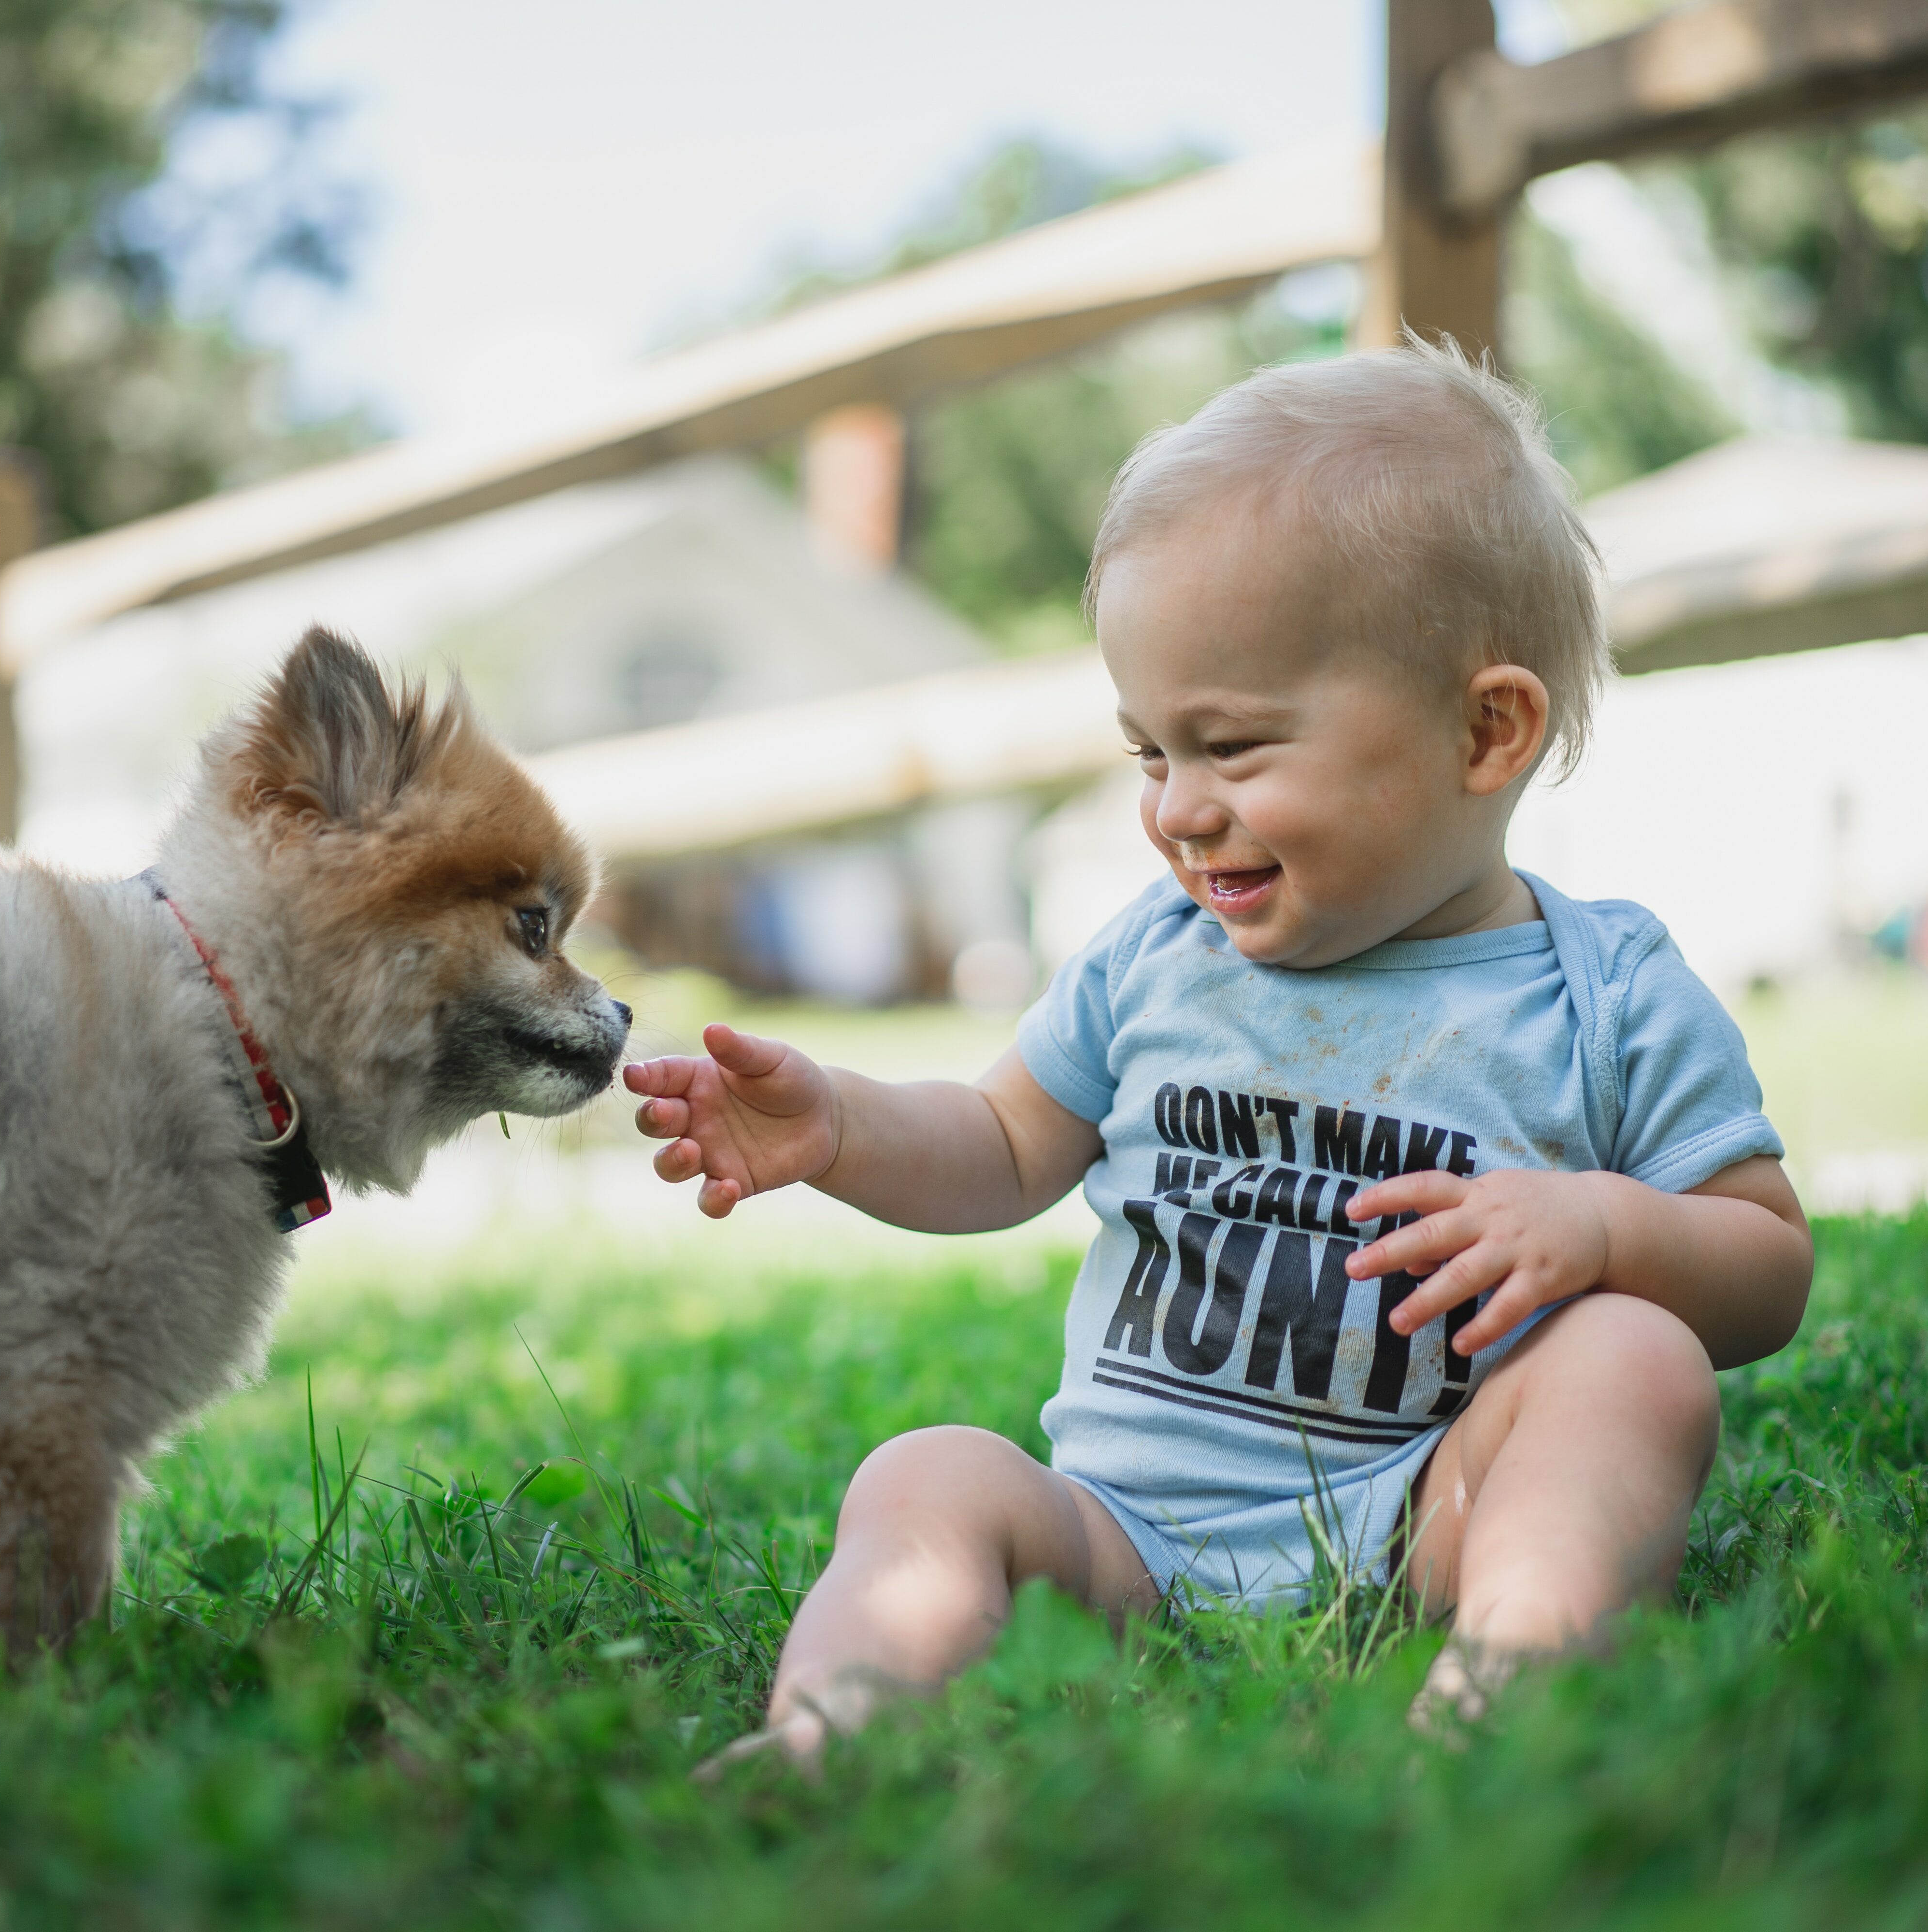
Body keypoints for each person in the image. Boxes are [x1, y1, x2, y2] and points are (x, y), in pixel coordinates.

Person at [624, 340, 1813, 1762]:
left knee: (1637, 1359)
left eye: (1236, 749)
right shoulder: (1152, 957)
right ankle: (834, 1731)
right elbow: (1005, 1147)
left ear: (1485, 730)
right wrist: (842, 1130)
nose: (1179, 811)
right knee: (929, 1472)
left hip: (1428, 1519)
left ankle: (1509, 1678)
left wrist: (1607, 1228)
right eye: (1149, 755)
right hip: (1119, 1541)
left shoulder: (1604, 990)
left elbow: (1766, 1265)